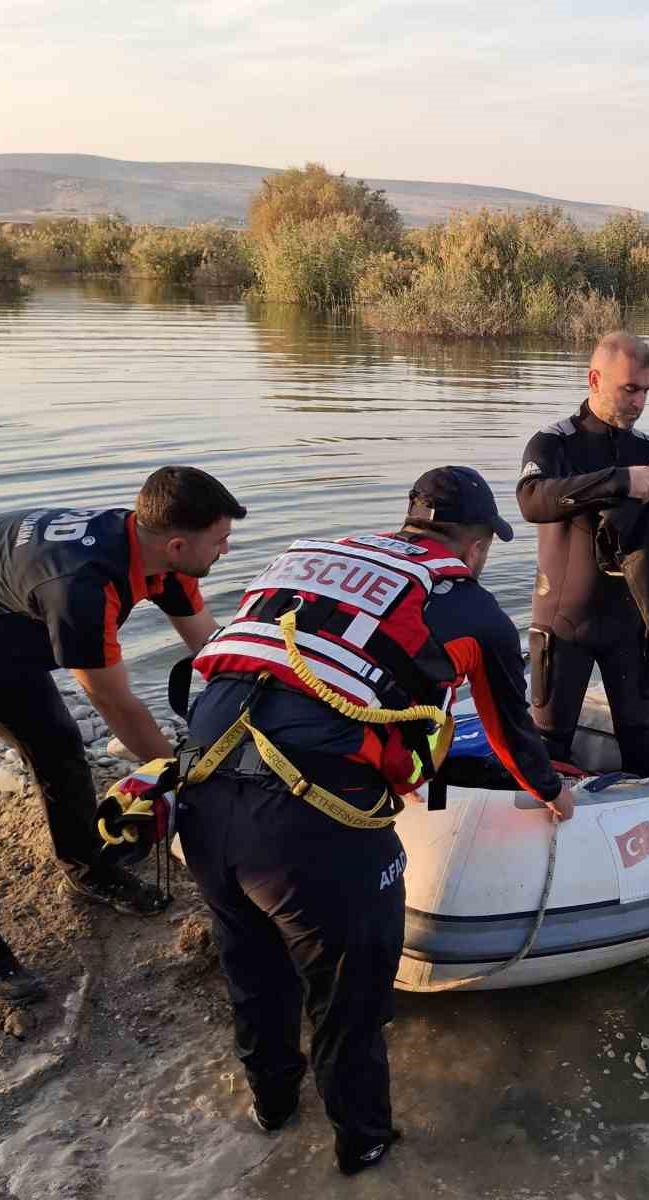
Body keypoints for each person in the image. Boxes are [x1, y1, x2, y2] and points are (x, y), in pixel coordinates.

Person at [178, 465, 574, 1177]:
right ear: (476, 542)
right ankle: (363, 1151)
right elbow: (509, 729)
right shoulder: (470, 604)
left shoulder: (311, 556)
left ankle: (270, 1111)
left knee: (255, 974)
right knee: (349, 1003)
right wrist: (550, 791)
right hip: (309, 826)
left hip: (201, 793)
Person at [0, 466, 243, 1007]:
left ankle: (88, 867)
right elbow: (117, 705)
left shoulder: (166, 554)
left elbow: (211, 649)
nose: (227, 551)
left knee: (60, 750)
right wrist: (188, 780)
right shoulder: (82, 588)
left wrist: (272, 708)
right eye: (222, 541)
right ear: (178, 542)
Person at [517, 330, 649, 777]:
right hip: (565, 624)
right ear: (595, 379)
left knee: (640, 737)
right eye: (629, 389)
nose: (639, 402)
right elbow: (532, 499)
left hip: (631, 627)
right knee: (549, 743)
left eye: (646, 391)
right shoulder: (554, 443)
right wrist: (619, 481)